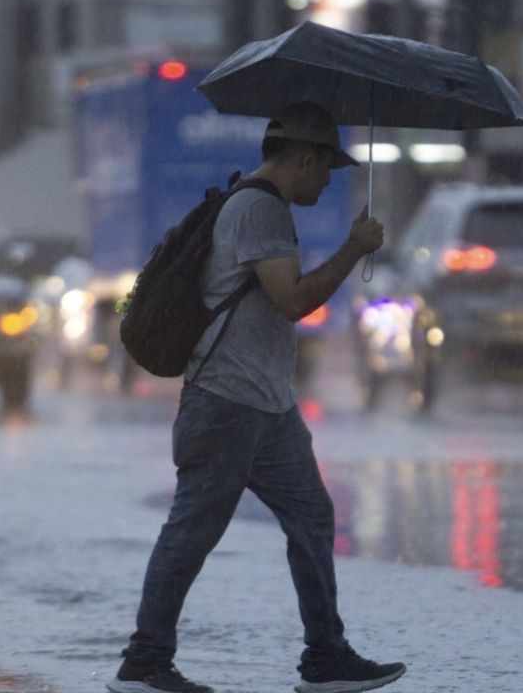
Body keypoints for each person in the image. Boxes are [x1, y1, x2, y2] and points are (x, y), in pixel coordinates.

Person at [108, 102, 406, 693]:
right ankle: (143, 664)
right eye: (327, 169)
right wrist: (353, 248)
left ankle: (326, 657)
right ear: (305, 158)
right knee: (193, 530)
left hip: (267, 406)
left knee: (312, 517)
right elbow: (292, 299)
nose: (328, 181)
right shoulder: (258, 210)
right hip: (226, 403)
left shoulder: (260, 208)